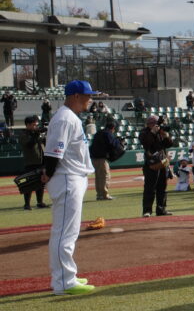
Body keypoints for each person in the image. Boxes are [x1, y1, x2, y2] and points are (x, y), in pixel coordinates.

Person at [43, 80, 101, 295]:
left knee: (68, 232)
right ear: (76, 96)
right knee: (64, 234)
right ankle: (64, 282)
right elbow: (52, 154)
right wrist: (47, 174)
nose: (91, 99)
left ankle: (67, 277)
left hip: (70, 177)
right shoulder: (65, 118)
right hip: (67, 178)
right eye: (88, 95)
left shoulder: (68, 117)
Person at [140, 114, 174, 217]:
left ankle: (161, 209)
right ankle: (147, 210)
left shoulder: (161, 132)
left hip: (163, 161)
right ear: (148, 124)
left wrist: (166, 135)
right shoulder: (144, 132)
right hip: (151, 163)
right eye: (153, 123)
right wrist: (152, 132)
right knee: (150, 187)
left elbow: (169, 144)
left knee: (163, 187)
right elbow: (146, 143)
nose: (156, 126)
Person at [88, 119, 124, 200]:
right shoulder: (107, 133)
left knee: (98, 176)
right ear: (113, 128)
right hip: (101, 157)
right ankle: (104, 195)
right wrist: (118, 141)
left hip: (94, 157)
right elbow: (112, 144)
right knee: (105, 175)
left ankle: (99, 194)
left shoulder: (99, 132)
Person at [18, 115, 48, 210]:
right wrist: (36, 134)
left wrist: (43, 135)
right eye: (34, 125)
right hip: (30, 162)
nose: (36, 126)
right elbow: (29, 144)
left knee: (41, 183)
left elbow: (45, 143)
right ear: (28, 125)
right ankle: (27, 204)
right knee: (29, 184)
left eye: (36, 125)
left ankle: (40, 202)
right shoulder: (23, 134)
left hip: (41, 161)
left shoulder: (36, 134)